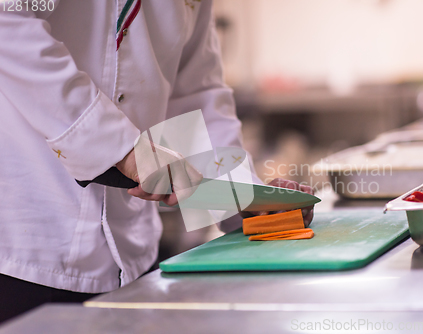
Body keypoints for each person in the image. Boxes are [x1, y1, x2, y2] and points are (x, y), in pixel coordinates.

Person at [0, 0, 314, 322]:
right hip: (22, 251)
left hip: (132, 257)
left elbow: (195, 92)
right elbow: (7, 20)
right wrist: (121, 148)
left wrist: (242, 196)